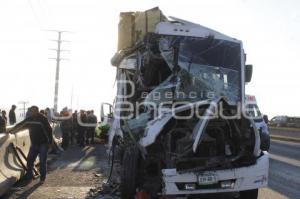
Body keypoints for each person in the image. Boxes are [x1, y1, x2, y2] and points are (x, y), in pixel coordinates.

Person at [10, 106, 53, 183]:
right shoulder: (29, 119)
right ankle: (30, 176)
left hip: (43, 144)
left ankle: (42, 179)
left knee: (42, 161)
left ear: (37, 111)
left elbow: (49, 131)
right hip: (34, 144)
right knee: (29, 160)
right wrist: (11, 131)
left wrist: (50, 143)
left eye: (33, 111)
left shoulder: (43, 119)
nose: (31, 112)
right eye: (31, 111)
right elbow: (21, 125)